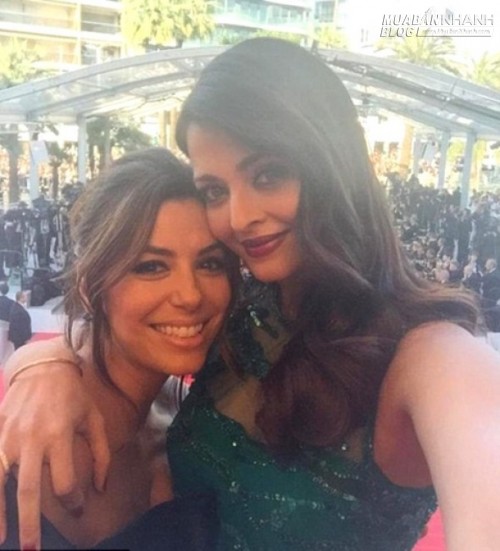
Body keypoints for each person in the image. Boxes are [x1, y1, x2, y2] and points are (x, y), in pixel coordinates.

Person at [1, 38, 500, 551]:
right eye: (215, 191)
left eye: (268, 175)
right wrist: (44, 364)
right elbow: (124, 319)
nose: (239, 218)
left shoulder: (431, 356)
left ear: (333, 164)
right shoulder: (243, 317)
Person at [0, 147, 234, 550]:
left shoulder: (187, 417)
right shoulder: (24, 444)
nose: (190, 295)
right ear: (90, 289)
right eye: (151, 266)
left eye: (210, 263)